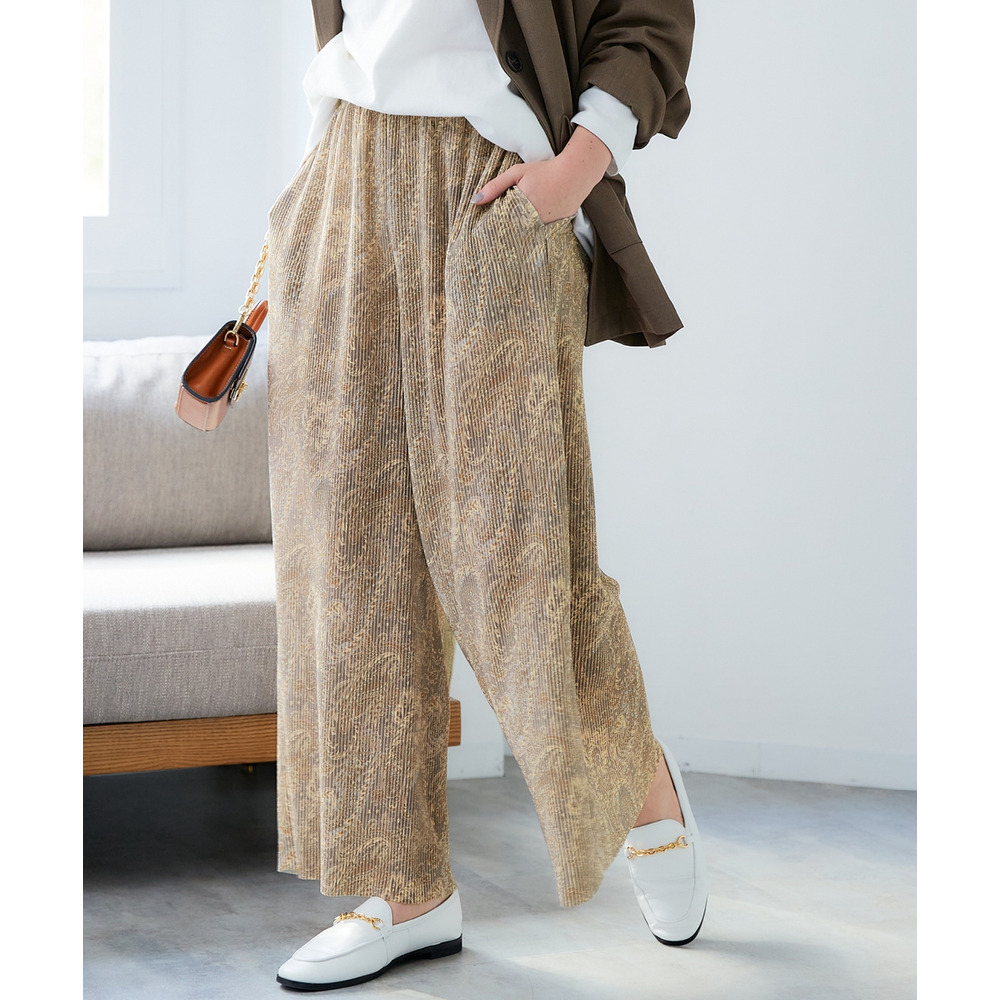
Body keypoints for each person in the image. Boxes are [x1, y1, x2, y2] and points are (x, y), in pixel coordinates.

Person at [266, 1, 703, 991]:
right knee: (351, 559)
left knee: (516, 557)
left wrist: (577, 165)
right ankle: (404, 889)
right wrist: (313, 179)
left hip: (492, 179)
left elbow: (648, 16)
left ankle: (638, 786)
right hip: (346, 173)